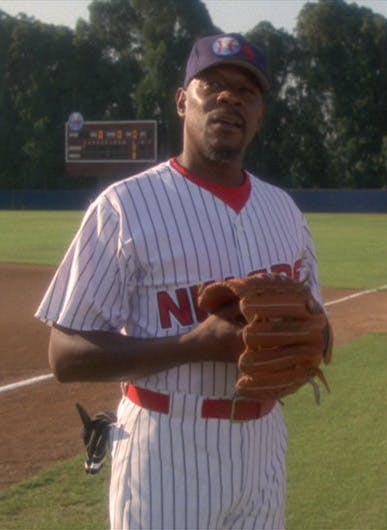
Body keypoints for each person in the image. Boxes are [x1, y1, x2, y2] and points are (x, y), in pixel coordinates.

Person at [35, 33, 323, 529]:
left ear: (260, 116)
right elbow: (65, 355)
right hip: (168, 444)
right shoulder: (125, 207)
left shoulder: (285, 212)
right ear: (181, 101)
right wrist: (195, 344)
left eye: (246, 92)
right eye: (211, 84)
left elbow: (317, 323)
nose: (229, 98)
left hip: (264, 445)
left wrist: (311, 340)